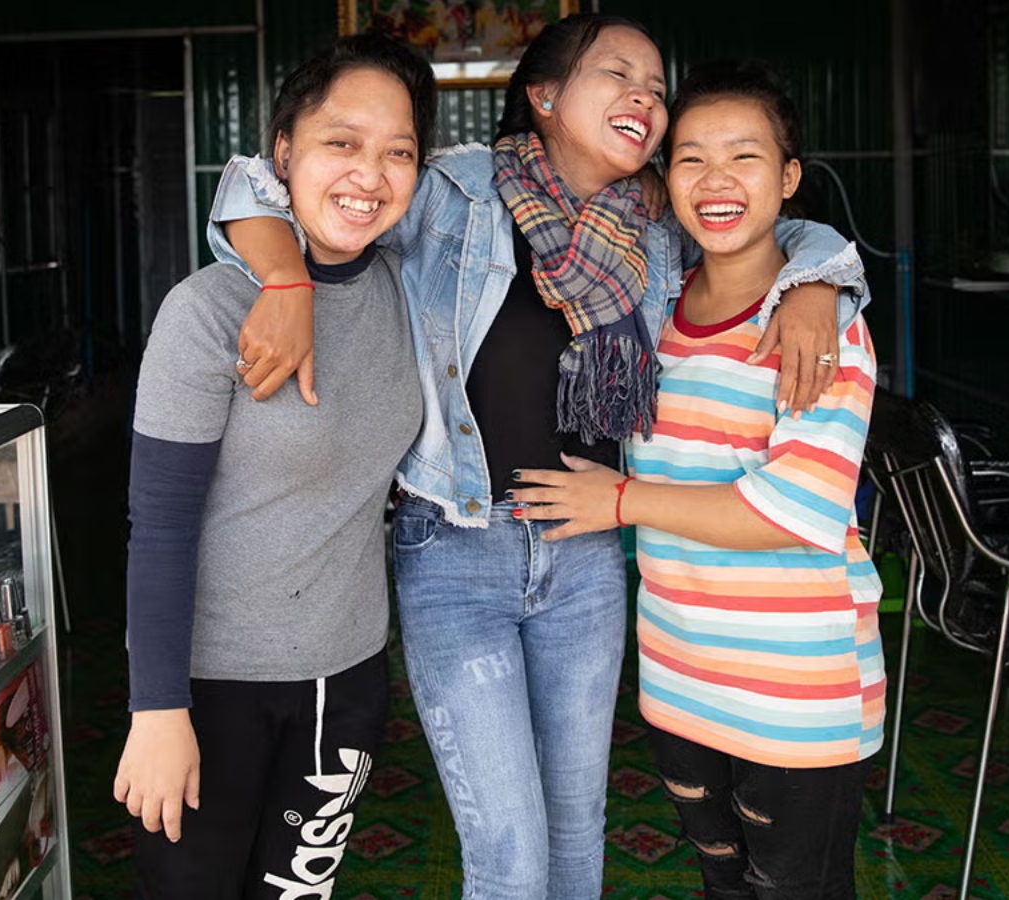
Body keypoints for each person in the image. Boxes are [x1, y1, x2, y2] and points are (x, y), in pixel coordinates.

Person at [209, 15, 868, 899]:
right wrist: (286, 280)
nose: (644, 96)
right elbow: (255, 187)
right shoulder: (452, 194)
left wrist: (819, 280)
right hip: (457, 551)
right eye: (617, 73)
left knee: (574, 836)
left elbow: (775, 230)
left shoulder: (653, 228)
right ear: (546, 96)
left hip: (589, 561)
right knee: (511, 855)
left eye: (655, 86)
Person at [510, 59, 884, 900]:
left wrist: (617, 503)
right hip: (683, 681)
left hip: (797, 696)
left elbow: (793, 509)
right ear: (664, 178)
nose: (716, 180)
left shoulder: (818, 335)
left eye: (745, 157)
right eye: (690, 158)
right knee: (724, 887)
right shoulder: (655, 315)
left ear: (789, 178)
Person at [111, 33, 433, 900]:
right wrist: (157, 710)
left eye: (397, 152)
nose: (369, 174)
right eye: (342, 142)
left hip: (346, 679)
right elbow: (162, 527)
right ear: (282, 153)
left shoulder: (411, 290)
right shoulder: (209, 311)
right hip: (208, 687)